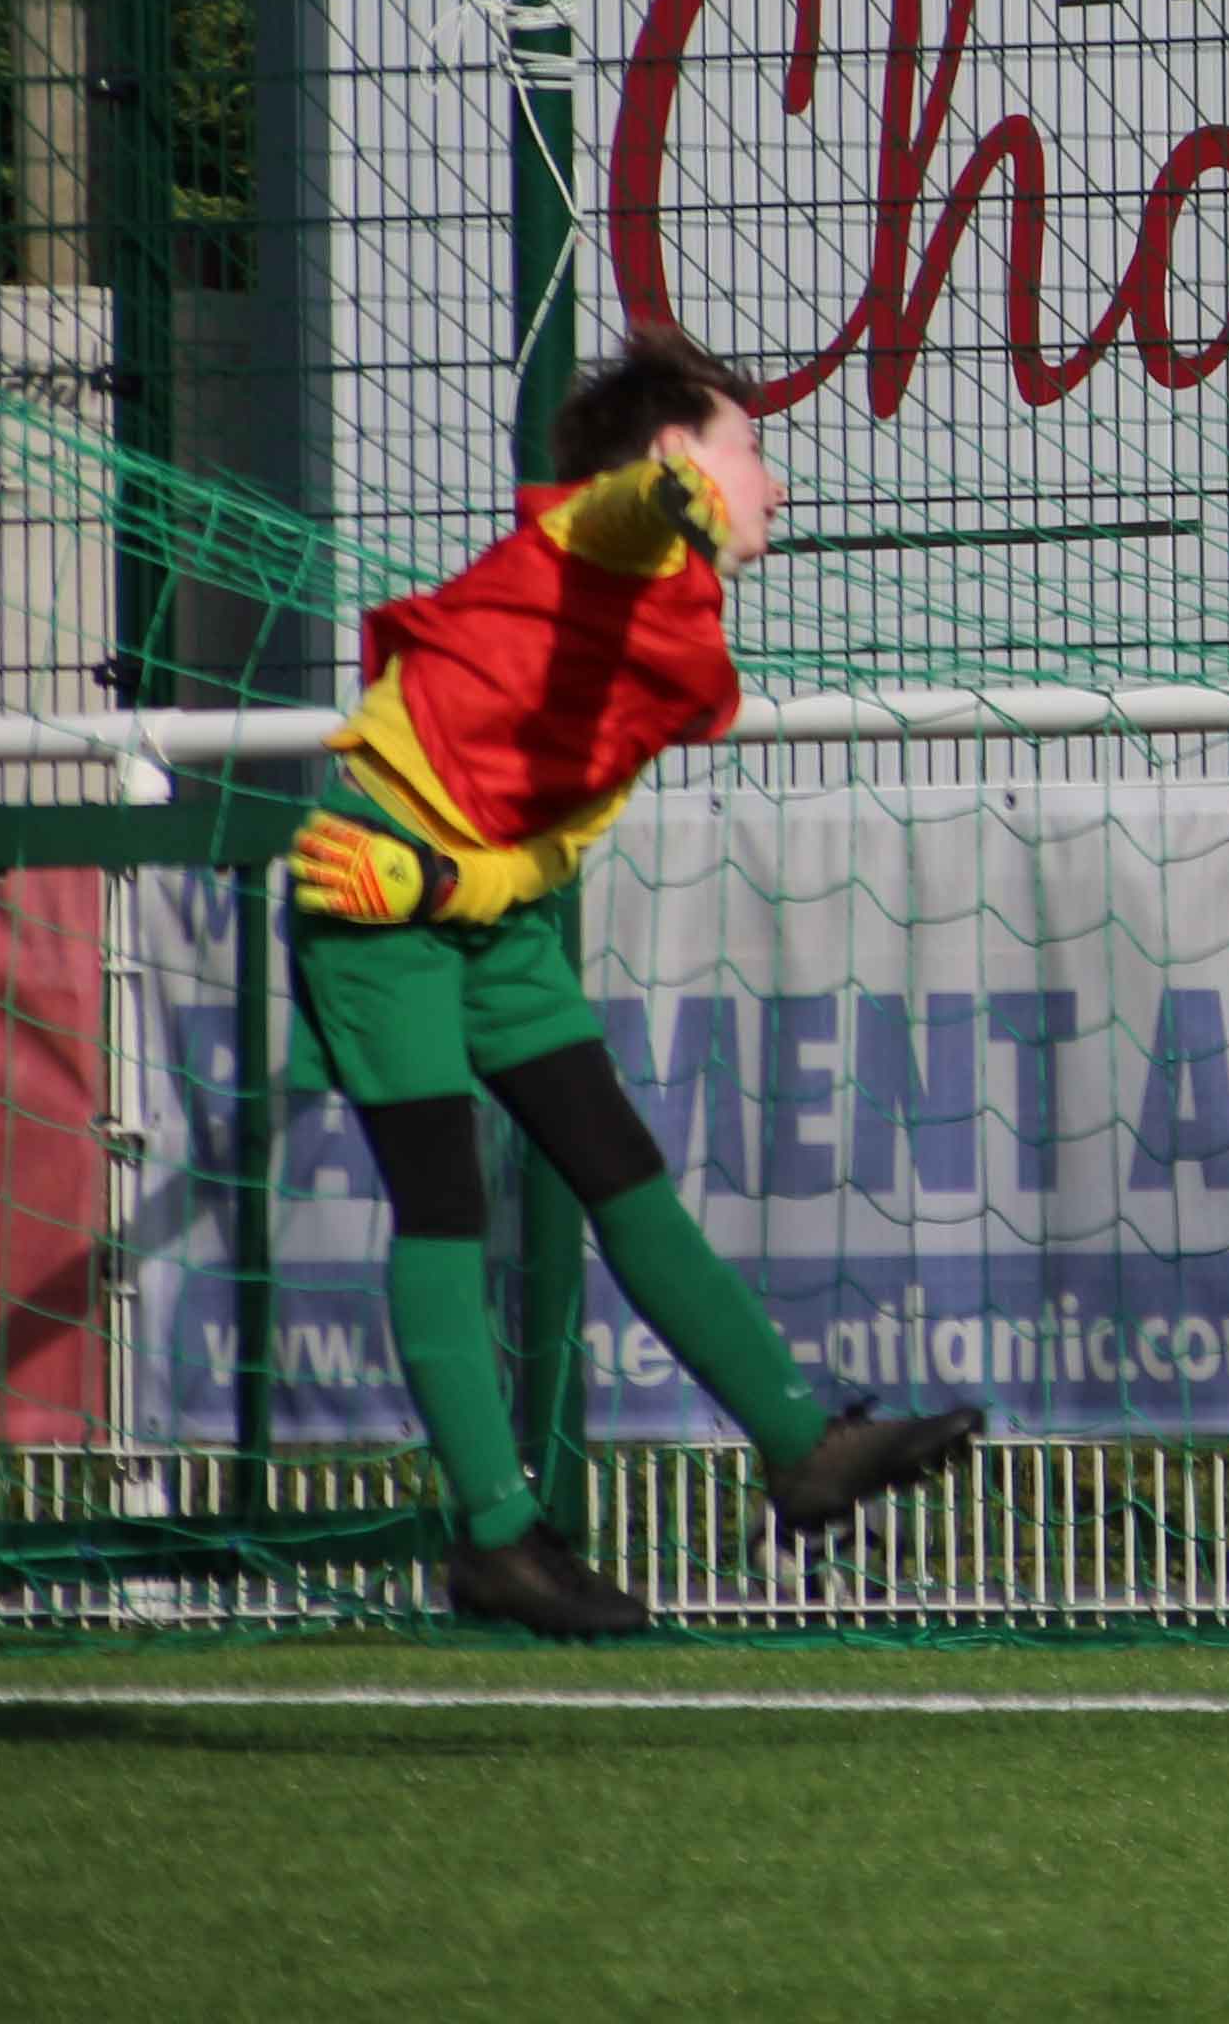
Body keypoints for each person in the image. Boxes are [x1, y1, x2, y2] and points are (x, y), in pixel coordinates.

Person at [284, 323, 980, 1636]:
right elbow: (619, 511)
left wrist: (455, 890)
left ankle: (801, 1444)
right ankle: (496, 1532)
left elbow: (553, 842)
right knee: (442, 1206)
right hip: (367, 875)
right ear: (682, 462)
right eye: (752, 448)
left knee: (621, 1172)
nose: (772, 478)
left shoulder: (682, 641)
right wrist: (671, 492)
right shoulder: (606, 541)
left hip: (477, 900)